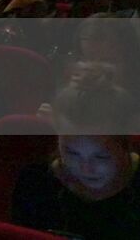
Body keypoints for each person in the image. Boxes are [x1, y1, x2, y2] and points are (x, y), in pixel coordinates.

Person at [12, 73, 140, 239]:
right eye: (71, 152)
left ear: (127, 144)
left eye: (101, 156)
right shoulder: (35, 182)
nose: (85, 168)